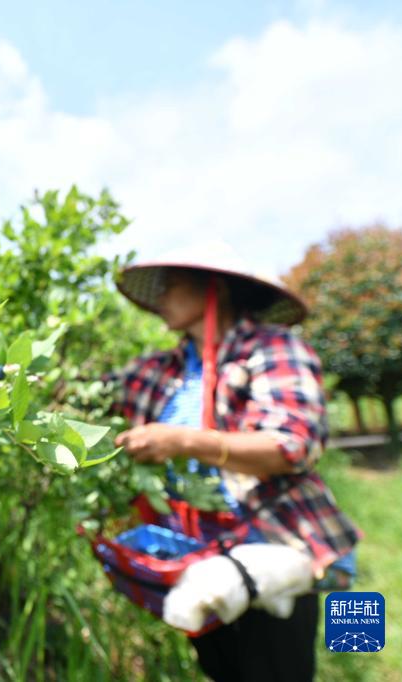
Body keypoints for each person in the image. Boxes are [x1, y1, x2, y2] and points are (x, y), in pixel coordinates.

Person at [101, 242, 363, 682]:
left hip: (271, 542)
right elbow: (83, 392)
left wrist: (183, 440)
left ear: (213, 289)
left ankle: (356, 657)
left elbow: (292, 445)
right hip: (197, 551)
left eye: (173, 285)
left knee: (277, 668)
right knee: (223, 667)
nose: (162, 295)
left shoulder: (270, 349)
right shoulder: (160, 369)